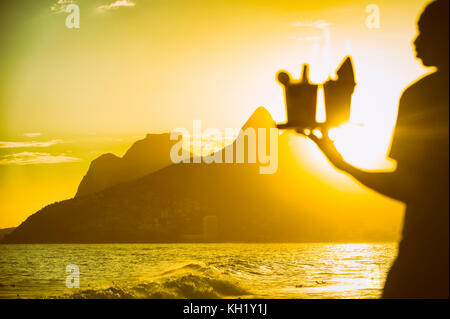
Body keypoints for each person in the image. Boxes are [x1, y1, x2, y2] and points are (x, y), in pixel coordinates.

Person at [309, 0, 449, 298]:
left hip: (425, 264)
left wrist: (341, 163)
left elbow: (411, 188)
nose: (415, 42)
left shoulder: (421, 96)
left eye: (424, 32)